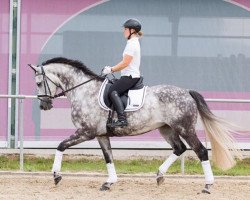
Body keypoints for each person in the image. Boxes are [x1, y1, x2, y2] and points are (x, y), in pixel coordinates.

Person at [102, 18, 143, 128]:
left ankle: (122, 119)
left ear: (132, 30)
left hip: (130, 76)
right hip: (129, 75)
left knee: (112, 91)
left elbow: (125, 63)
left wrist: (111, 69)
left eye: (125, 29)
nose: (123, 31)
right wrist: (112, 68)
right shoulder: (133, 42)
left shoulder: (132, 44)